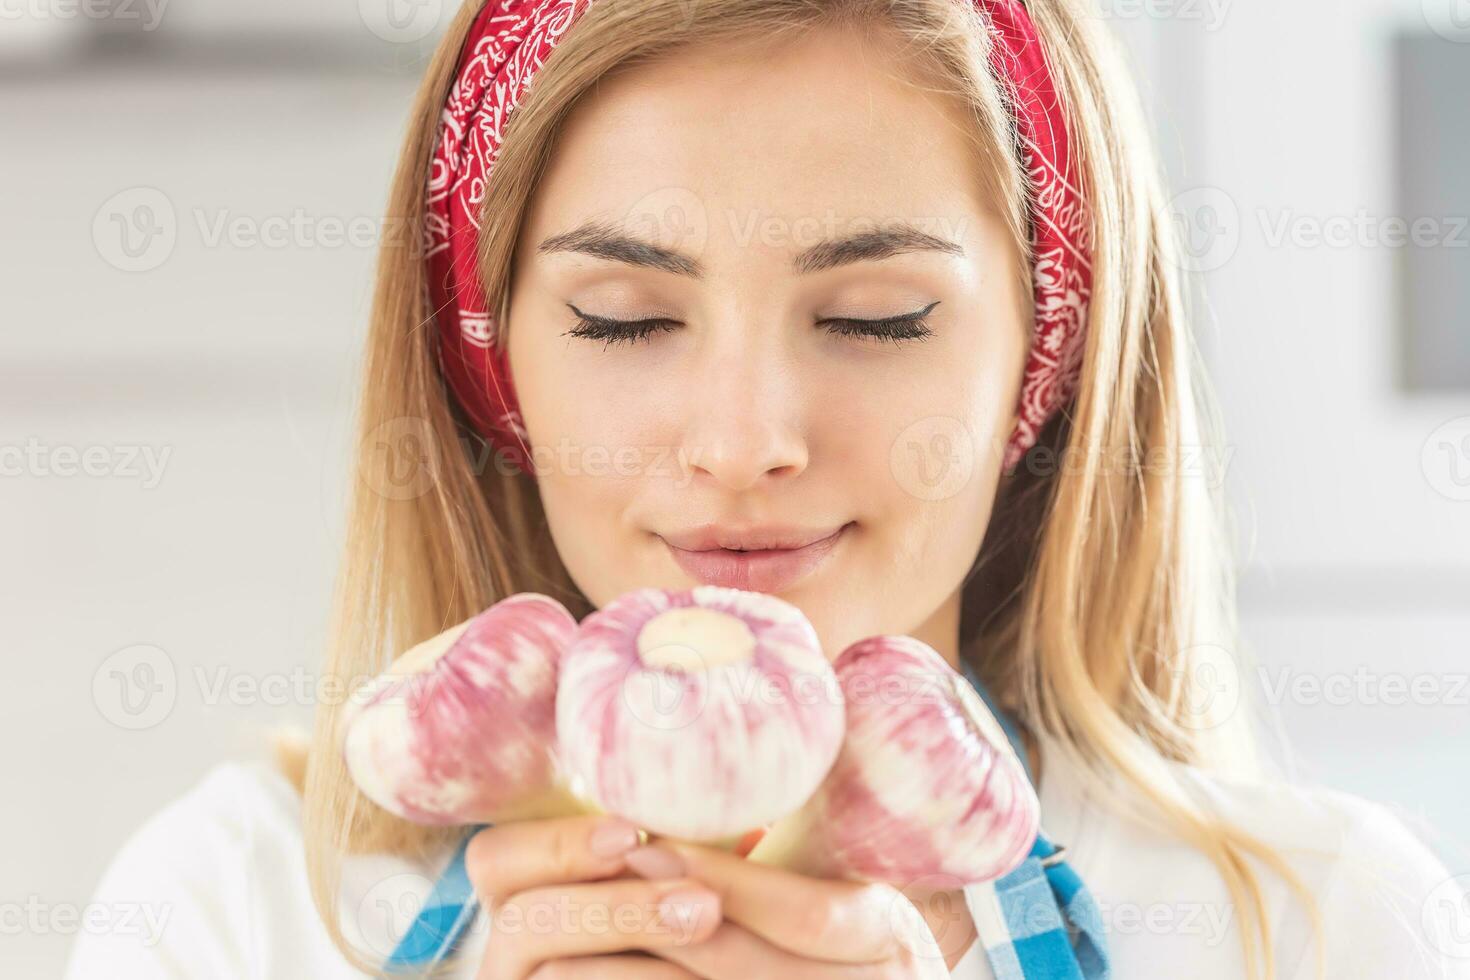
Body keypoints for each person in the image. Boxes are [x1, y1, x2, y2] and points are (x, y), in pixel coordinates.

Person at [66, 0, 1469, 977]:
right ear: (494, 378)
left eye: (874, 318)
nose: (742, 442)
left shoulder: (1330, 930)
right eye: (622, 317)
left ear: (1042, 369)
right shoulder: (235, 912)